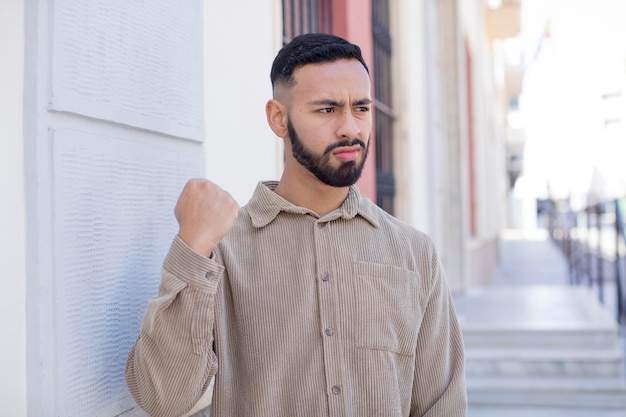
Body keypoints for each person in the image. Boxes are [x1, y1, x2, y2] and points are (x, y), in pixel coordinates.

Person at [126, 33, 467, 417]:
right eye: (327, 110)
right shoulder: (220, 250)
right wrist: (192, 248)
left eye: (360, 108)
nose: (350, 129)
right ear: (278, 118)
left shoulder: (414, 252)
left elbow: (442, 405)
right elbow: (164, 399)